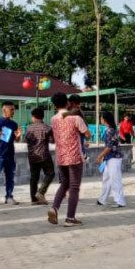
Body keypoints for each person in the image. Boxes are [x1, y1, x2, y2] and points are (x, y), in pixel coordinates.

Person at [48, 92, 92, 226]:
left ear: (55, 105)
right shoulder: (75, 118)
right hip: (74, 157)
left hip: (61, 157)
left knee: (65, 184)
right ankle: (70, 218)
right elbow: (88, 134)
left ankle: (54, 208)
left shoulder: (54, 119)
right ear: (67, 102)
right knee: (74, 187)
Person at [0, 101, 21, 206]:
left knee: (10, 177)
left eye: (13, 110)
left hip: (10, 154)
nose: (13, 111)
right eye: (11, 109)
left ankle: (9, 197)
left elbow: (17, 140)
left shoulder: (14, 124)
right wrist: (0, 133)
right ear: (4, 110)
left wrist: (18, 136)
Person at [25, 107, 56, 205]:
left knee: (34, 177)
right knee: (50, 173)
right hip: (44, 155)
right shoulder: (47, 128)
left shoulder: (29, 128)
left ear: (33, 117)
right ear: (42, 116)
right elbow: (52, 141)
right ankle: (40, 192)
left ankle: (34, 199)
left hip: (32, 156)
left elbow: (26, 140)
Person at [96, 111, 126, 207]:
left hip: (114, 158)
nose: (100, 119)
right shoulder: (110, 129)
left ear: (104, 120)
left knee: (115, 179)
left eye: (101, 118)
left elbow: (109, 147)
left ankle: (120, 201)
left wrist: (100, 156)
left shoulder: (110, 131)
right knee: (107, 179)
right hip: (109, 158)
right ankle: (102, 199)